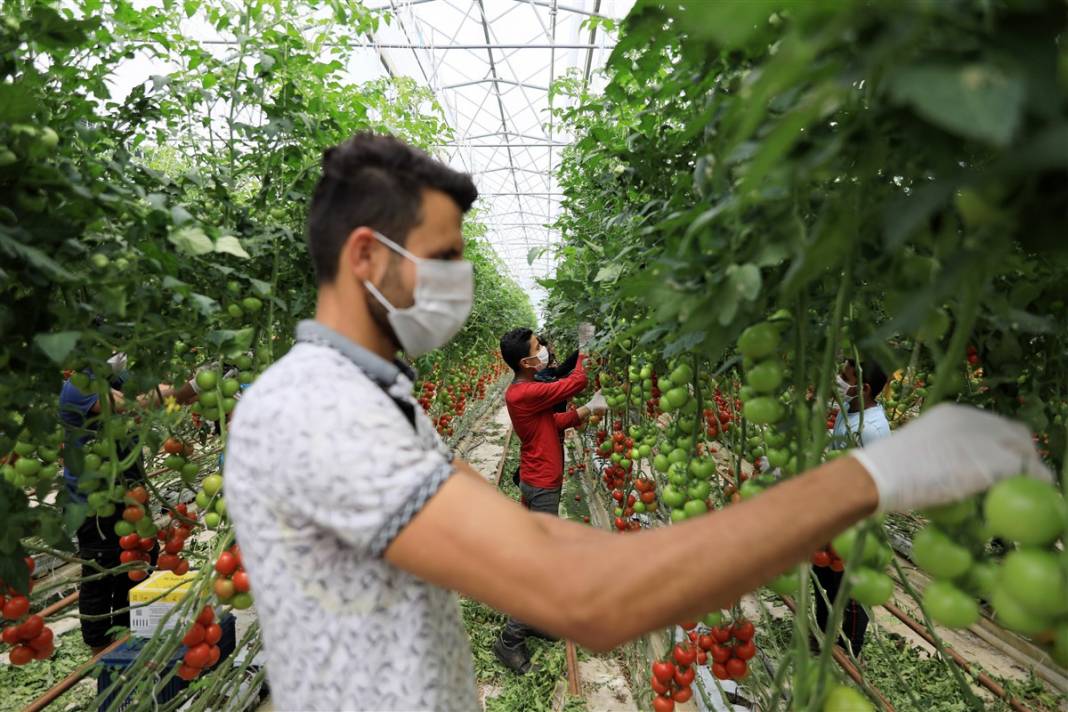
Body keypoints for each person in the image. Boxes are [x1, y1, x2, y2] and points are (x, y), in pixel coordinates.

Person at [222, 132, 1052, 712]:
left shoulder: (378, 403)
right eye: (442, 260)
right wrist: (871, 476)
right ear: (367, 256)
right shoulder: (317, 413)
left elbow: (537, 539)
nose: (457, 282)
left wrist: (707, 550)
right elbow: (580, 596)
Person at [59, 354, 199, 654]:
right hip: (93, 498)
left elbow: (158, 394)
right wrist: (190, 386)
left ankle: (130, 632)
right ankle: (99, 648)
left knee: (140, 557)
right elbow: (128, 405)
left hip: (130, 490)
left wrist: (191, 388)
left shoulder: (119, 378)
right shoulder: (79, 386)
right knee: (102, 568)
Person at [493, 328, 605, 672]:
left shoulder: (525, 392)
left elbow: (553, 421)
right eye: (537, 346)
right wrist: (586, 346)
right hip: (541, 484)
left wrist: (585, 410)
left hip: (535, 478)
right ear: (526, 362)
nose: (543, 348)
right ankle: (509, 640)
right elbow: (575, 381)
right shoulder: (525, 393)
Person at [814, 358, 891, 657]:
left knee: (851, 586)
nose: (838, 380)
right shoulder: (852, 410)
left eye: (844, 377)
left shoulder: (873, 430)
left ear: (865, 388)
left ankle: (850, 650)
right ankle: (822, 635)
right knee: (824, 576)